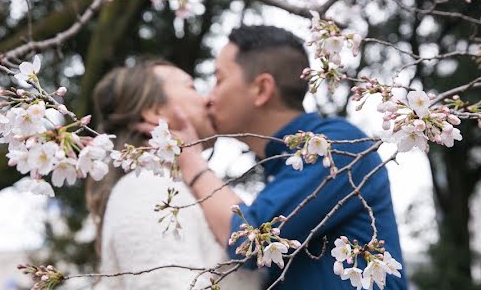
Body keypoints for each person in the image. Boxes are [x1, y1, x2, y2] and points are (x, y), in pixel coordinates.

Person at [173, 25, 407, 289]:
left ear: (261, 89)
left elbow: (252, 241)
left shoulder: (337, 145)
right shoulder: (283, 169)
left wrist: (191, 162)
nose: (209, 98)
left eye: (219, 79)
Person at [88, 59, 262, 290]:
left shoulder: (177, 189)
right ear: (155, 111)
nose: (207, 99)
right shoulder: (143, 190)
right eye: (192, 87)